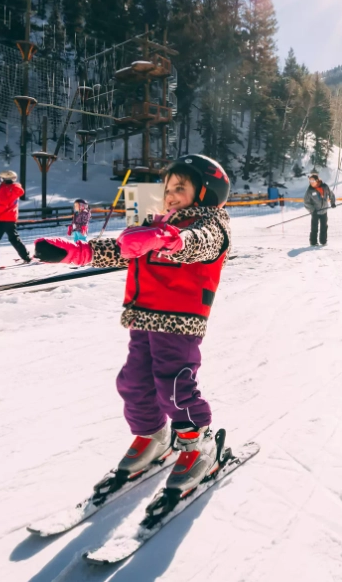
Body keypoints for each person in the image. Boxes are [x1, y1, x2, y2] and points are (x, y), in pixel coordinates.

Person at [33, 155, 231, 495]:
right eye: (167, 187)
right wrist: (72, 253)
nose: (170, 194)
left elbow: (201, 244)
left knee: (174, 387)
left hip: (180, 321)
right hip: (143, 316)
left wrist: (166, 238)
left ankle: (200, 444)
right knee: (134, 383)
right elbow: (117, 250)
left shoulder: (211, 223)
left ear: (204, 194)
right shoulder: (151, 220)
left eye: (180, 188)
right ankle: (154, 435)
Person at [0, 170, 31, 268]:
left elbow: (2, 204)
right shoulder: (13, 188)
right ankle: (26, 256)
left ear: (5, 179)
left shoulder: (5, 189)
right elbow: (1, 196)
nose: (1, 181)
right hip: (11, 219)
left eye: (2, 179)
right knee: (14, 239)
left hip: (0, 219)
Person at [303, 169, 336, 246]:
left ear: (317, 180)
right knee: (314, 227)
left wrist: (332, 202)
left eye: (312, 181)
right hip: (315, 212)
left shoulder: (324, 187)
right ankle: (313, 242)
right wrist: (312, 210)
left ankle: (323, 241)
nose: (311, 183)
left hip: (324, 211)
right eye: (310, 181)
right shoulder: (309, 190)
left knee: (324, 227)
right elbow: (306, 202)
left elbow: (331, 194)